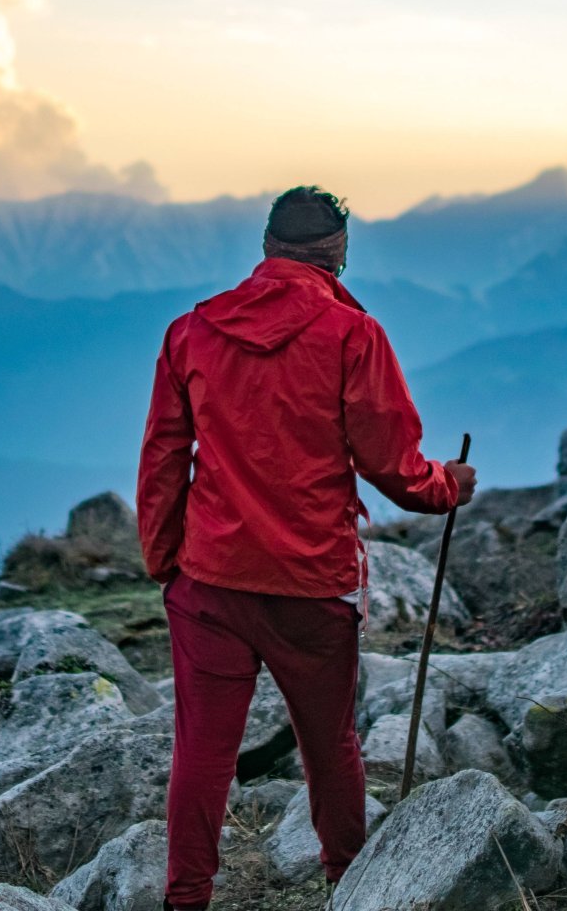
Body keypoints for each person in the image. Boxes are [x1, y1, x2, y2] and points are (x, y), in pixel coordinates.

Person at [136, 185, 476, 910]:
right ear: (338, 253)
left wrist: (166, 562)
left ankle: (186, 899)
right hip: (313, 585)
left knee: (201, 754)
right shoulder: (355, 337)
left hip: (210, 584)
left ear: (266, 246)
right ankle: (347, 884)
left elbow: (164, 455)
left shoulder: (191, 332)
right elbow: (394, 466)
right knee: (330, 747)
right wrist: (448, 485)